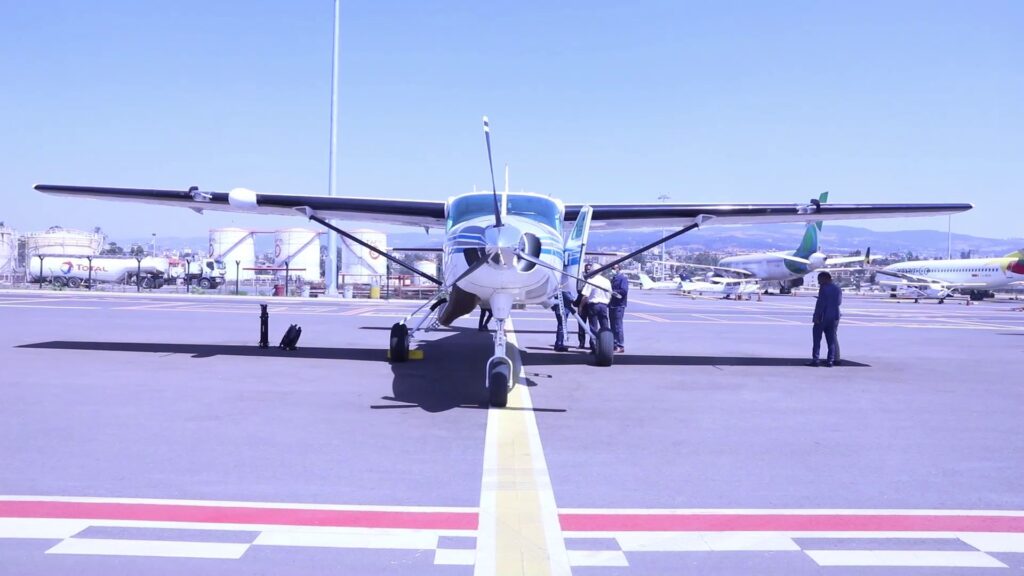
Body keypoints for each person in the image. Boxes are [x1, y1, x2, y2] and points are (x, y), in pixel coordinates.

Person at [808, 271, 842, 367]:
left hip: (822, 317)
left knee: (817, 340)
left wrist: (816, 317)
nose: (819, 282)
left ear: (825, 279)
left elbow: (820, 304)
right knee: (831, 341)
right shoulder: (837, 289)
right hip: (834, 317)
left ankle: (816, 360)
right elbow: (839, 302)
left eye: (820, 280)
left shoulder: (824, 288)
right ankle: (830, 361)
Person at [579, 266, 612, 353]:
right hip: (604, 305)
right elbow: (610, 294)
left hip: (593, 305)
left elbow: (585, 296)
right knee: (605, 326)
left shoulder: (591, 281)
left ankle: (594, 346)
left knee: (593, 327)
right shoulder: (607, 281)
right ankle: (606, 345)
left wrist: (581, 306)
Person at [609, 264, 629, 353]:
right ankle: (614, 344)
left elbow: (624, 291)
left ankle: (620, 345)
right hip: (612, 304)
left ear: (618, 268)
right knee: (612, 326)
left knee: (618, 326)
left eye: (614, 268)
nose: (612, 270)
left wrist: (613, 292)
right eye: (612, 268)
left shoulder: (622, 278)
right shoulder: (613, 279)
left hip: (619, 305)